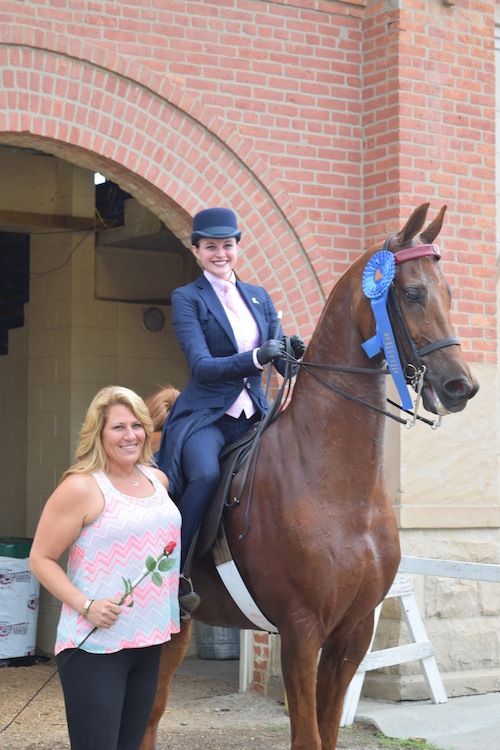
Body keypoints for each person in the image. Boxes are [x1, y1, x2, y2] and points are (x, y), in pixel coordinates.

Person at [155, 207, 306, 617]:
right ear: (197, 251)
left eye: (227, 246)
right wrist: (257, 355)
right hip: (208, 415)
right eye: (210, 247)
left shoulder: (260, 296)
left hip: (254, 414)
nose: (220, 253)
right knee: (204, 474)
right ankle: (175, 574)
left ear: (237, 247)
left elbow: (281, 365)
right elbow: (202, 367)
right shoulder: (187, 298)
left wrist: (294, 355)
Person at [29, 386, 181, 750]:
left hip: (150, 638)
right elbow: (40, 558)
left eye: (136, 425)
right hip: (95, 647)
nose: (130, 435)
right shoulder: (81, 487)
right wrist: (86, 605)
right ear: (98, 433)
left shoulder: (157, 481)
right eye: (118, 427)